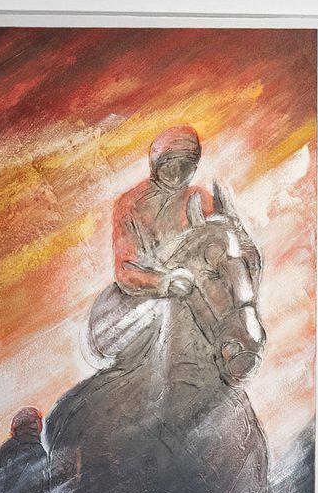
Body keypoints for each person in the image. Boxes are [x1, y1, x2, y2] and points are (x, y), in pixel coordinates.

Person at [90, 126, 259, 361]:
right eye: (171, 163)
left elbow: (229, 246)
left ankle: (239, 338)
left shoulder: (199, 198)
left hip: (201, 283)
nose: (179, 172)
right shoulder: (131, 205)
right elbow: (126, 270)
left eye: (187, 164)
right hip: (148, 295)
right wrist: (163, 282)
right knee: (186, 293)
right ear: (157, 163)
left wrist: (235, 232)